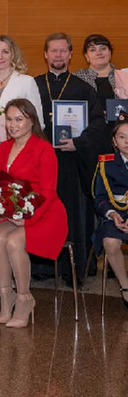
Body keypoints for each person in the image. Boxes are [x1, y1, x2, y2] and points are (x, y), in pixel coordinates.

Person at [0, 98, 68, 328]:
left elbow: (49, 191)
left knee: (14, 242)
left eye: (19, 120)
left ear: (32, 121)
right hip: (16, 210)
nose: (13, 125)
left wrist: (28, 218)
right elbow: (4, 185)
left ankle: (24, 299)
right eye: (9, 119)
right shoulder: (4, 148)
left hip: (46, 211)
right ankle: (7, 298)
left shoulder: (44, 149)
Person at [34, 32, 104, 281]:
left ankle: (72, 269)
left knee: (72, 214)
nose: (58, 55)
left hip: (72, 163)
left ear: (71, 54)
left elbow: (97, 125)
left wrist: (79, 143)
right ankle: (41, 266)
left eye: (63, 50)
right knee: (42, 212)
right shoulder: (34, 86)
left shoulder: (83, 88)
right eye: (54, 50)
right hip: (40, 163)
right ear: (45, 54)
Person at [0, 35, 43, 158]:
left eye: (5, 52)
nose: (0, 57)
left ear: (13, 55)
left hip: (18, 149)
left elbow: (38, 122)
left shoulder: (27, 82)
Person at [93, 118, 128, 311]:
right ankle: (125, 286)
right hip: (115, 214)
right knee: (110, 242)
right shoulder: (106, 164)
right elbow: (99, 197)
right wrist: (113, 214)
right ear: (114, 141)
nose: (127, 142)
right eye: (122, 137)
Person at [74, 34, 116, 155]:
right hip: (88, 138)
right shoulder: (76, 79)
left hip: (119, 138)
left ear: (110, 52)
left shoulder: (124, 76)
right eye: (93, 50)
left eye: (103, 48)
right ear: (86, 56)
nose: (99, 53)